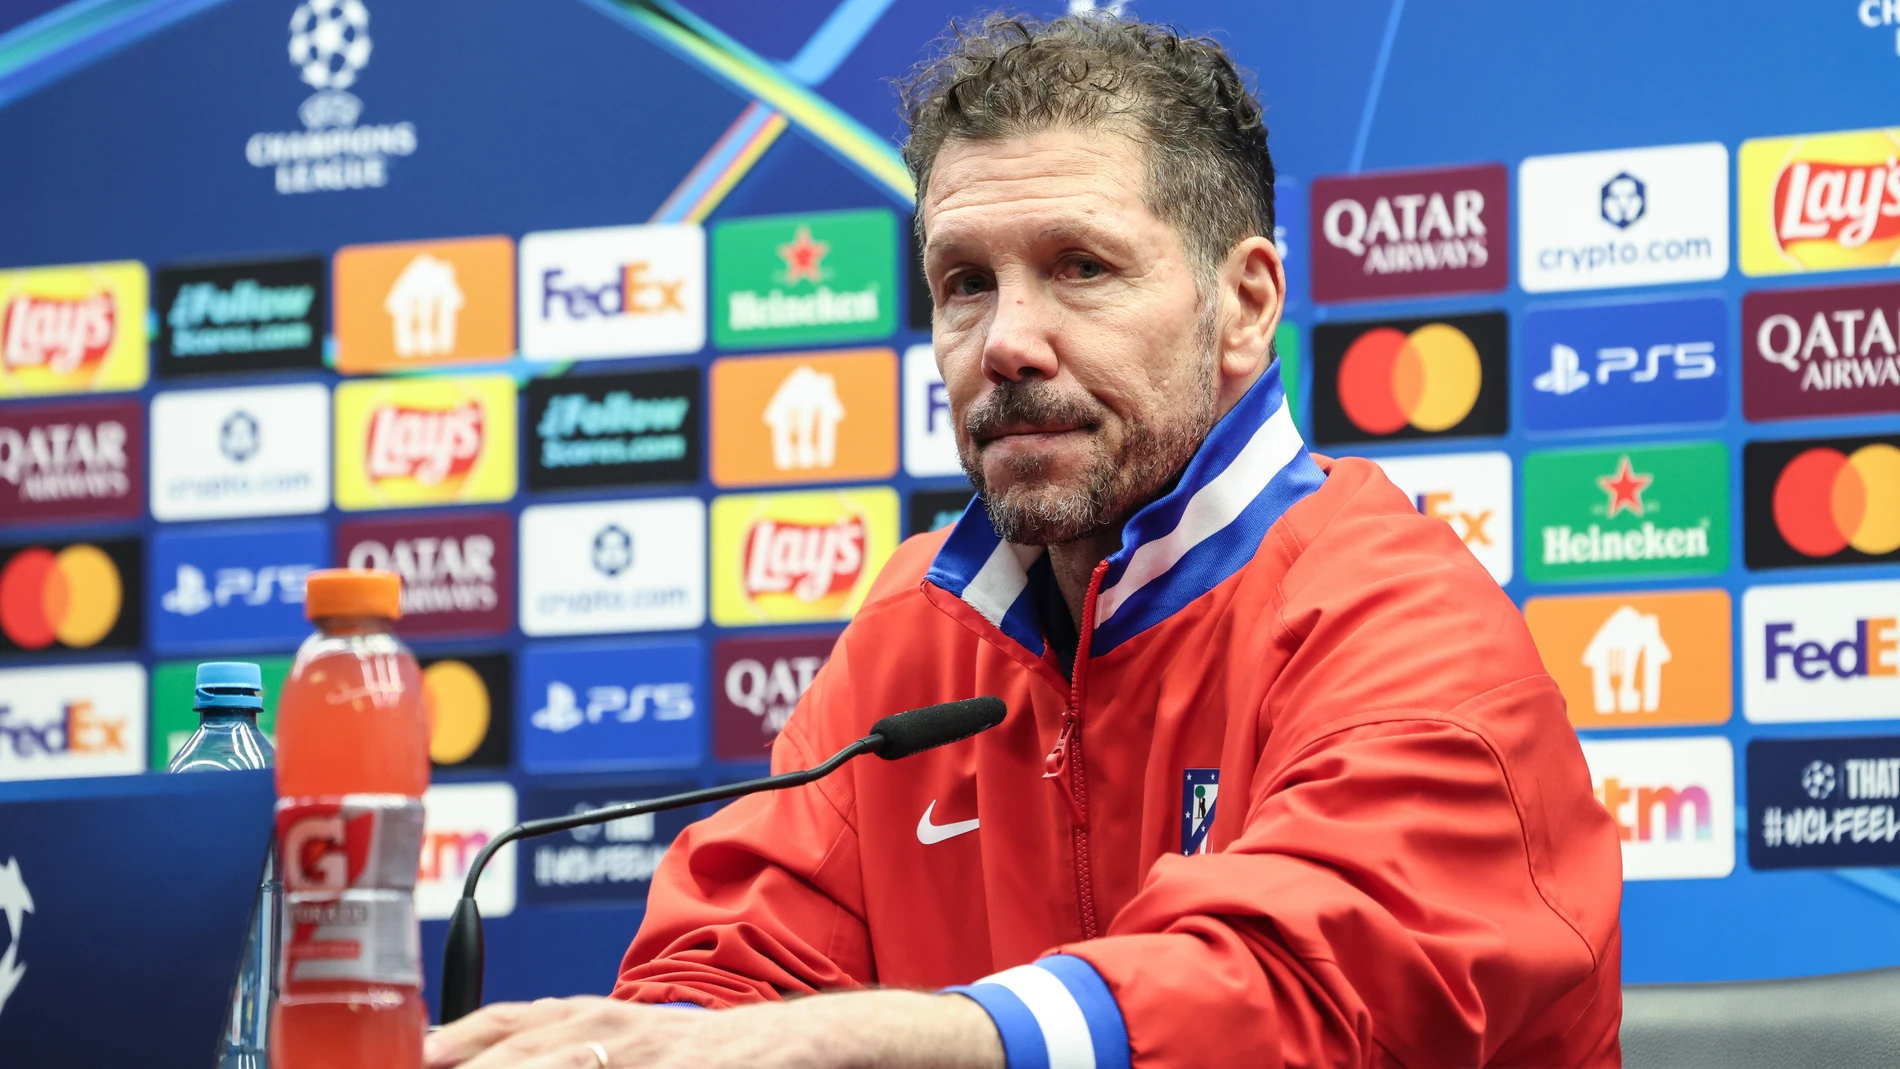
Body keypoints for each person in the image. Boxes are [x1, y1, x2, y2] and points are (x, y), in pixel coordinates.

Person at [426, 13, 1623, 1069]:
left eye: (1079, 268)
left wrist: (854, 1036)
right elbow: (732, 971)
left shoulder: (1406, 622)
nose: (1007, 340)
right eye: (964, 283)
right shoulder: (916, 633)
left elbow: (1299, 1000)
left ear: (1246, 305)